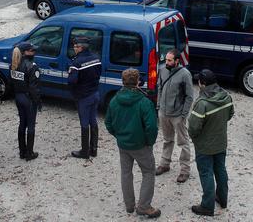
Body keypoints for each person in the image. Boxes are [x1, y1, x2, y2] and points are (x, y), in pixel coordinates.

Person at [105, 69, 160, 218]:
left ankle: (129, 205)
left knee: (126, 173)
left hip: (123, 145)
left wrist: (118, 136)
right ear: (137, 82)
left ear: (122, 81)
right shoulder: (144, 102)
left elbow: (108, 123)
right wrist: (149, 142)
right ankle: (144, 206)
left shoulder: (115, 100)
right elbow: (152, 127)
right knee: (148, 172)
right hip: (141, 145)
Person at [188, 69, 234, 216]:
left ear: (203, 83)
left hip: (204, 147)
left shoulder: (202, 103)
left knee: (206, 173)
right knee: (220, 170)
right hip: (221, 142)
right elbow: (230, 114)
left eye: (199, 81)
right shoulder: (226, 96)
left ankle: (207, 206)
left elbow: (194, 128)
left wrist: (195, 138)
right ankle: (222, 198)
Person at [155, 49, 194, 183]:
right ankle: (165, 164)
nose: (166, 62)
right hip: (164, 113)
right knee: (167, 140)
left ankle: (185, 170)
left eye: (169, 60)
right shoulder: (162, 70)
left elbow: (190, 96)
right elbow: (159, 88)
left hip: (178, 115)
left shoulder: (185, 74)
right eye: (166, 59)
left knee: (183, 142)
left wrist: (184, 114)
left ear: (177, 61)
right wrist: (159, 106)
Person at [68, 37, 102, 159]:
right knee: (93, 120)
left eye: (75, 47)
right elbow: (98, 74)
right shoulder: (96, 58)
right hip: (95, 94)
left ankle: (84, 151)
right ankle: (94, 149)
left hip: (83, 97)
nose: (74, 49)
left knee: (84, 123)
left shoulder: (77, 63)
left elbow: (72, 81)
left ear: (80, 47)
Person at [11, 42, 41, 160]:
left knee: (22, 123)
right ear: (25, 52)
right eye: (32, 50)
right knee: (31, 125)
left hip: (18, 97)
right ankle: (30, 153)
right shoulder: (32, 66)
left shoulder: (14, 65)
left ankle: (22, 152)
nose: (34, 52)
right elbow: (34, 88)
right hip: (28, 99)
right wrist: (37, 101)